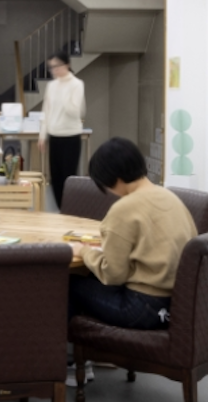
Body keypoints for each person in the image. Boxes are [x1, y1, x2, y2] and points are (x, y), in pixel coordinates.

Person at [68, 137, 196, 333]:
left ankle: (63, 347)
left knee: (68, 285)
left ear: (113, 177)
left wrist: (84, 252)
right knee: (91, 280)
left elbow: (113, 275)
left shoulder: (124, 209)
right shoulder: (170, 197)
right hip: (179, 304)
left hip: (142, 307)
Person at [39, 49, 86, 210]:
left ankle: (69, 210)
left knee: (68, 177)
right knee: (55, 178)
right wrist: (42, 135)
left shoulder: (77, 84)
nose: (54, 70)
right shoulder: (51, 86)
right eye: (51, 67)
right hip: (55, 136)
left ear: (67, 65)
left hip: (71, 136)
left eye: (57, 66)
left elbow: (75, 112)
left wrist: (64, 94)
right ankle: (61, 209)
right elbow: (46, 111)